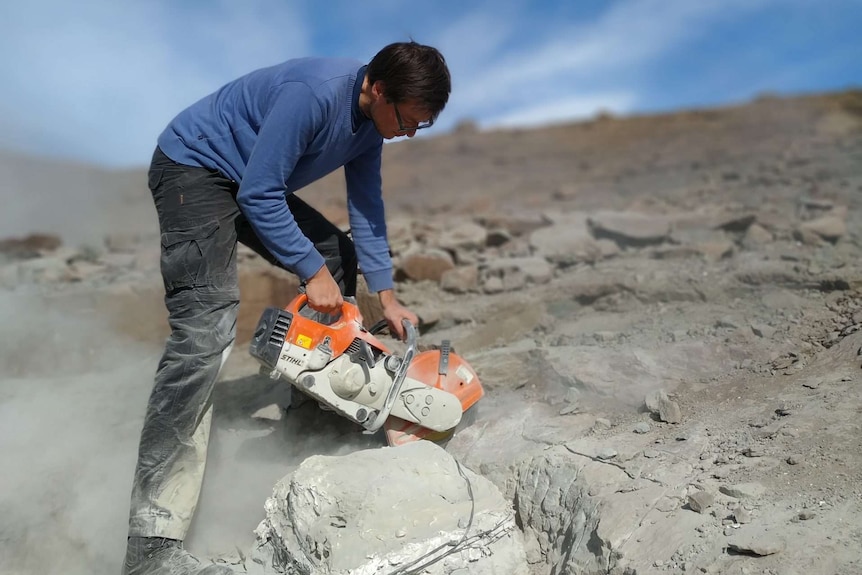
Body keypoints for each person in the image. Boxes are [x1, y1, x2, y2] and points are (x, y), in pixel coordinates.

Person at [121, 41, 451, 575]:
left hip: (248, 180)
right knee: (205, 334)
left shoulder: (372, 124)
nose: (409, 133)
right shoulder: (314, 96)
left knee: (336, 254)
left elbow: (366, 207)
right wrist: (310, 273)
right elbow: (259, 193)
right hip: (194, 167)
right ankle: (150, 545)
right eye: (407, 121)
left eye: (421, 127)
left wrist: (386, 292)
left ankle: (316, 421)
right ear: (378, 89)